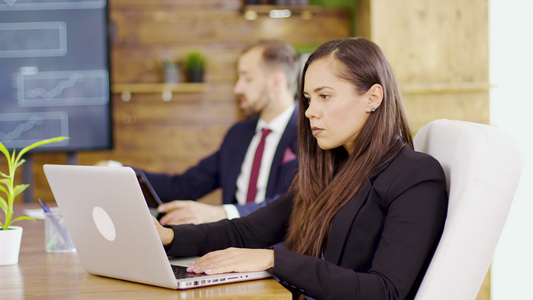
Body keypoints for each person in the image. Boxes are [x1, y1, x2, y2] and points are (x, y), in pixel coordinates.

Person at [154, 37, 448, 299]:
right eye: (307, 99)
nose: (309, 111)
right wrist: (170, 236)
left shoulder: (416, 176)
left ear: (372, 98)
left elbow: (384, 291)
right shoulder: (330, 169)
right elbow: (249, 230)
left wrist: (273, 260)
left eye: (325, 96)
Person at [108, 40, 300, 225]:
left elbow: (292, 206)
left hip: (276, 253)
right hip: (229, 246)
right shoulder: (238, 135)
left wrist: (221, 213)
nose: (237, 88)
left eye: (247, 78)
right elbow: (184, 186)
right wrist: (118, 172)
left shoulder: (309, 136)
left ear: (276, 81)